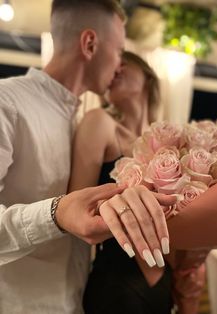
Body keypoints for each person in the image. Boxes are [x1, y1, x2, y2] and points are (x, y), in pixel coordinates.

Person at [0, 1, 176, 313]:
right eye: (119, 49)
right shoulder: (6, 102)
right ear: (90, 43)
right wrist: (55, 214)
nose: (120, 62)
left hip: (78, 301)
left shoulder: (80, 119)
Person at [69, 51, 207, 314]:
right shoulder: (100, 122)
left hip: (164, 277)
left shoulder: (170, 143)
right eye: (112, 65)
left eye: (124, 62)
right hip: (118, 280)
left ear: (148, 75)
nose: (115, 67)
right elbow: (79, 208)